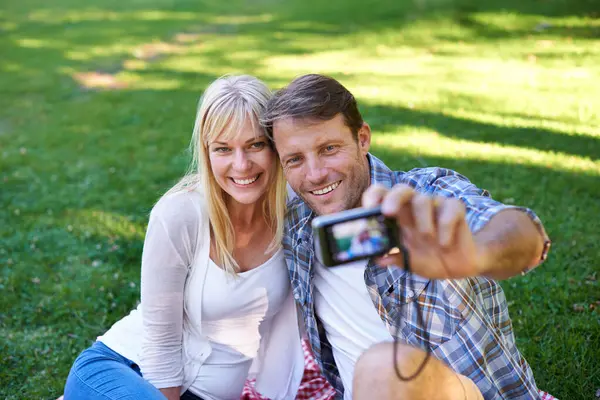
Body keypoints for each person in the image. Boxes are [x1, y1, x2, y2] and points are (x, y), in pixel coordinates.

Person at [262, 74, 552, 400]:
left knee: (384, 365)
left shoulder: (424, 198)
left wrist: (475, 254)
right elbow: (229, 182)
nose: (315, 175)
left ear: (363, 138)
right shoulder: (296, 218)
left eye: (329, 149)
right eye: (295, 160)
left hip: (461, 392)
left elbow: (522, 233)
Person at [63, 75, 304, 400]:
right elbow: (160, 341)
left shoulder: (294, 210)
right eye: (223, 149)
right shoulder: (180, 214)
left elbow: (346, 180)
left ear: (275, 145)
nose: (241, 165)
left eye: (255, 145)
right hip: (126, 370)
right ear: (206, 153)